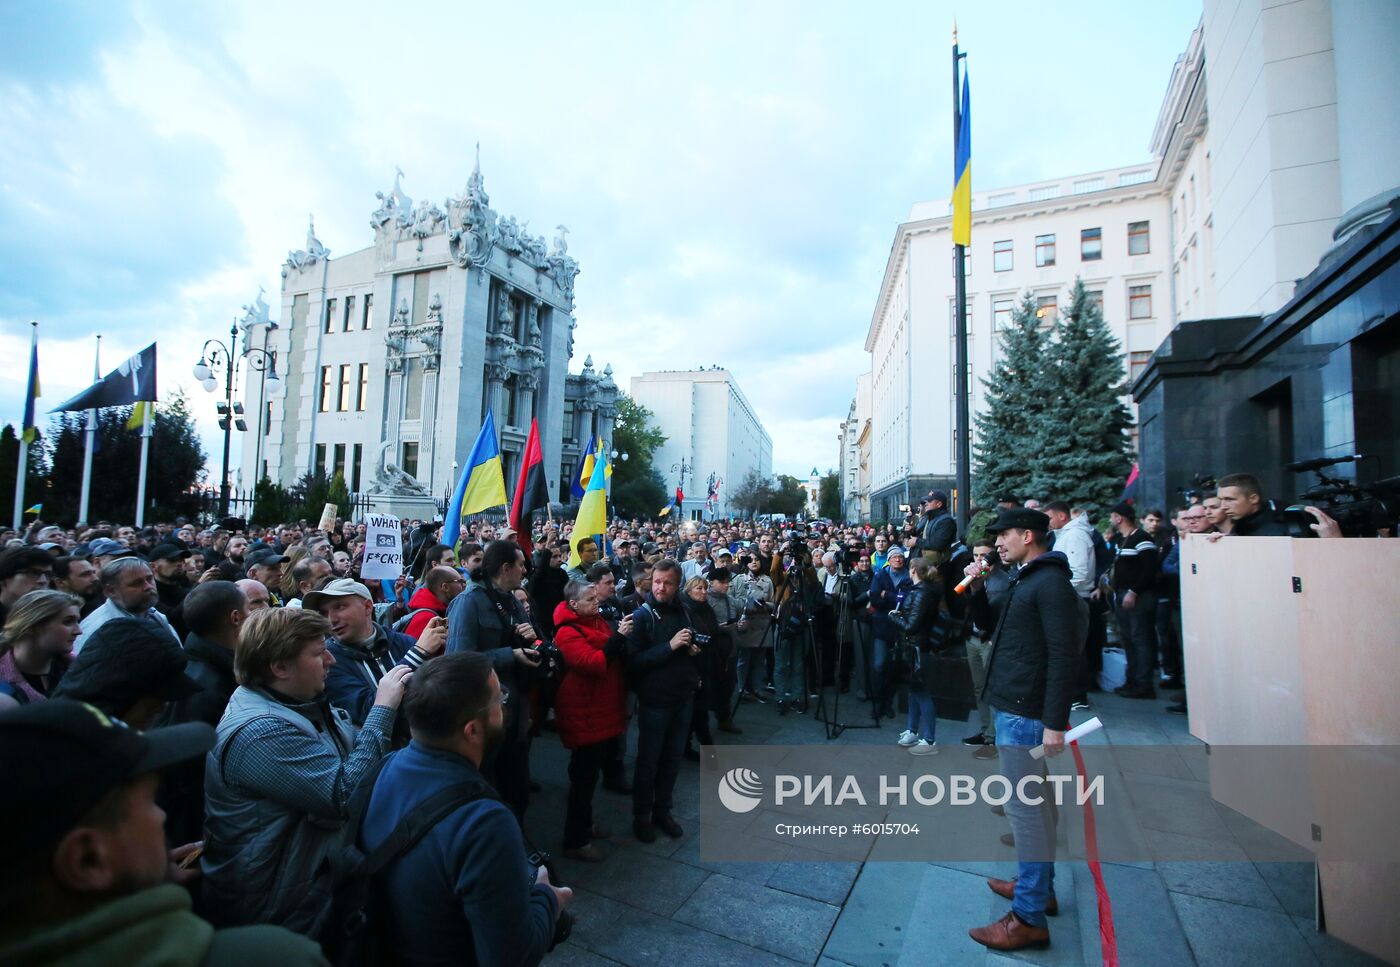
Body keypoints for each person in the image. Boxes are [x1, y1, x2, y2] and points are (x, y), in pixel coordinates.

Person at [0, 700, 327, 966]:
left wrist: (136, 876)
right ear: (88, 859)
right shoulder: (270, 956)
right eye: (148, 802)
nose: (162, 816)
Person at [202, 607, 410, 938]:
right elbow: (343, 793)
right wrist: (383, 708)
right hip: (275, 914)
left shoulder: (302, 703)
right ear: (280, 667)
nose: (331, 660)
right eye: (318, 653)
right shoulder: (260, 732)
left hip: (313, 892)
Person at [359, 652, 569, 966]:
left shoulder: (384, 768)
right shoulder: (484, 822)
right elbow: (512, 957)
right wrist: (548, 898)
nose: (504, 706)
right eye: (500, 699)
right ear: (472, 730)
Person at [962, 507, 1085, 952]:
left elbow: (1063, 654)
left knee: (1026, 813)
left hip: (1026, 712)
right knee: (1036, 807)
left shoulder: (1049, 583)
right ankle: (1039, 888)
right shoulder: (1024, 577)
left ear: (1028, 535)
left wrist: (1054, 722)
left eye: (1003, 535)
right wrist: (976, 588)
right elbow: (991, 623)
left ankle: (1028, 917)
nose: (996, 543)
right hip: (1013, 705)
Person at [447, 540, 542, 819]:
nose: (525, 571)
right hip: (485, 713)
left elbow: (536, 641)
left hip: (515, 710)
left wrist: (533, 642)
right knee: (489, 788)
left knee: (517, 788)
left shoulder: (513, 600)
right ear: (505, 568)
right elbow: (458, 660)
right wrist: (510, 654)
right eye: (521, 565)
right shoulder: (468, 602)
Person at [552, 580, 631, 860]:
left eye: (596, 598)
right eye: (590, 599)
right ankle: (575, 840)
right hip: (583, 711)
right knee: (583, 779)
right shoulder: (567, 632)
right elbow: (594, 664)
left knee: (589, 775)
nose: (596, 603)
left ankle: (584, 824)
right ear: (574, 604)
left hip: (600, 708)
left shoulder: (595, 621)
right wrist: (619, 637)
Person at [623, 558, 698, 842]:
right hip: (655, 701)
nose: (661, 588)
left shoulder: (684, 610)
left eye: (667, 583)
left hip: (682, 696)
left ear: (678, 584)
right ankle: (641, 816)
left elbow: (690, 642)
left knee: (672, 759)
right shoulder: (642, 616)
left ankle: (663, 810)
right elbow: (633, 662)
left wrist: (693, 648)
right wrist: (669, 646)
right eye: (656, 582)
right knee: (648, 761)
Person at [306, 578, 444, 727]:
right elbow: (369, 714)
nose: (331, 620)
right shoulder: (328, 662)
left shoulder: (404, 642)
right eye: (323, 613)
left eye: (339, 607)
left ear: (367, 607)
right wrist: (417, 655)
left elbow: (436, 698)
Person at [888, 557, 942, 755]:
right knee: (913, 690)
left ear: (912, 571)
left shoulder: (922, 594)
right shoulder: (922, 592)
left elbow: (912, 626)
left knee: (920, 691)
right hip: (914, 647)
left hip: (917, 647)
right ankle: (912, 730)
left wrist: (894, 617)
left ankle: (929, 740)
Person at [1108, 502, 1160, 699]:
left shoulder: (1141, 538)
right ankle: (1132, 681)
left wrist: (1134, 591)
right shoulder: (1122, 539)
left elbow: (1149, 569)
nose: (1112, 520)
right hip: (1122, 594)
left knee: (1140, 639)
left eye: (1113, 516)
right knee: (1129, 639)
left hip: (1138, 597)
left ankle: (1143, 684)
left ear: (1119, 518)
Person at [75, 557, 180, 653]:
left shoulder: (154, 614)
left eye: (149, 579)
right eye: (137, 583)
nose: (148, 587)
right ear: (111, 591)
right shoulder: (97, 629)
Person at [963, 541, 1008, 758]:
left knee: (991, 689)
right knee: (978, 688)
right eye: (975, 555)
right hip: (971, 639)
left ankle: (993, 739)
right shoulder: (971, 577)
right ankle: (985, 731)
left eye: (983, 555)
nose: (979, 560)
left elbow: (992, 615)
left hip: (987, 640)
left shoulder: (1001, 582)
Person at [0, 590, 82, 709]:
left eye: (77, 621)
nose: (78, 631)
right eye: (68, 622)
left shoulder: (80, 671)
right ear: (32, 626)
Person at [867, 546, 912, 720]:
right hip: (881, 626)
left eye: (900, 557)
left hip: (900, 628)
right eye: (894, 557)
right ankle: (877, 702)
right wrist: (895, 598)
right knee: (879, 665)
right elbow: (874, 598)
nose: (898, 560)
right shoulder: (880, 576)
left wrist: (889, 595)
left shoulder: (909, 577)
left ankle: (888, 703)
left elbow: (907, 600)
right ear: (889, 559)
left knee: (894, 667)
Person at [402, 565, 468, 639]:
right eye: (460, 582)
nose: (465, 585)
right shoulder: (425, 619)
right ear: (445, 587)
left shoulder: (442, 610)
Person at [0, 545, 54, 627]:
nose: (43, 580)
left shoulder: (51, 616)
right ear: (5, 578)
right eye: (34, 573)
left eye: (48, 574)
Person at [148, 543, 194, 639]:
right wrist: (197, 590)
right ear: (153, 566)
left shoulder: (184, 588)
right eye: (171, 560)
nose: (179, 564)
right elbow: (172, 620)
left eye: (181, 560)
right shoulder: (149, 593)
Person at [916, 491, 957, 566]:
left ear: (939, 504)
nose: (926, 503)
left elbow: (937, 544)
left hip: (939, 565)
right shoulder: (930, 518)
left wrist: (917, 542)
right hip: (929, 564)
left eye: (930, 501)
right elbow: (921, 535)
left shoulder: (946, 521)